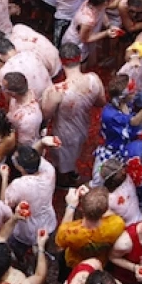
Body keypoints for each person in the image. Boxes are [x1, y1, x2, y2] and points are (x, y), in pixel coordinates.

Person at [41, 43, 106, 185]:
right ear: (80, 58)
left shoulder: (57, 91)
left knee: (63, 158)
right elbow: (101, 102)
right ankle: (71, 172)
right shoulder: (93, 79)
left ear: (61, 61)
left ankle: (65, 181)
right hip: (83, 126)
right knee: (75, 151)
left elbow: (45, 115)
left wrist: (45, 96)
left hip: (64, 133)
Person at [56, 185, 125, 269]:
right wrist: (94, 201)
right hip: (100, 263)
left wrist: (71, 206)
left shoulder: (70, 233)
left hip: (75, 265)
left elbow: (60, 242)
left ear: (81, 208)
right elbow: (112, 215)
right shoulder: (117, 224)